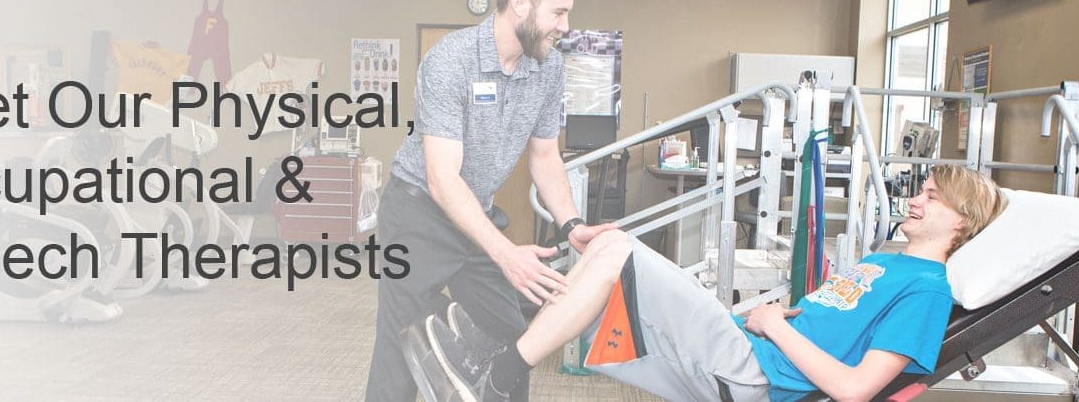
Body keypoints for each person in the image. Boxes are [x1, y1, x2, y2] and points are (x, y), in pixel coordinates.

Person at [422, 165, 1007, 402]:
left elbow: (857, 390)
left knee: (620, 247)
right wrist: (774, 318)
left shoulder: (928, 290)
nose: (916, 198)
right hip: (746, 341)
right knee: (610, 256)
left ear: (962, 221)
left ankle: (501, 367)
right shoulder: (889, 259)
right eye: (921, 189)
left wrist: (776, 324)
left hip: (756, 372)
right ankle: (501, 347)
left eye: (932, 197)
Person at [364, 0, 615, 401]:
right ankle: (431, 324)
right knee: (399, 343)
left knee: (513, 334)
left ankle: (449, 333)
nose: (566, 26)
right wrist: (506, 255)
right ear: (519, 3)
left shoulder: (548, 67)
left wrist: (571, 223)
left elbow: (545, 156)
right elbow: (441, 180)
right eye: (558, 12)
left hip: (474, 212)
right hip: (417, 213)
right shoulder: (450, 60)